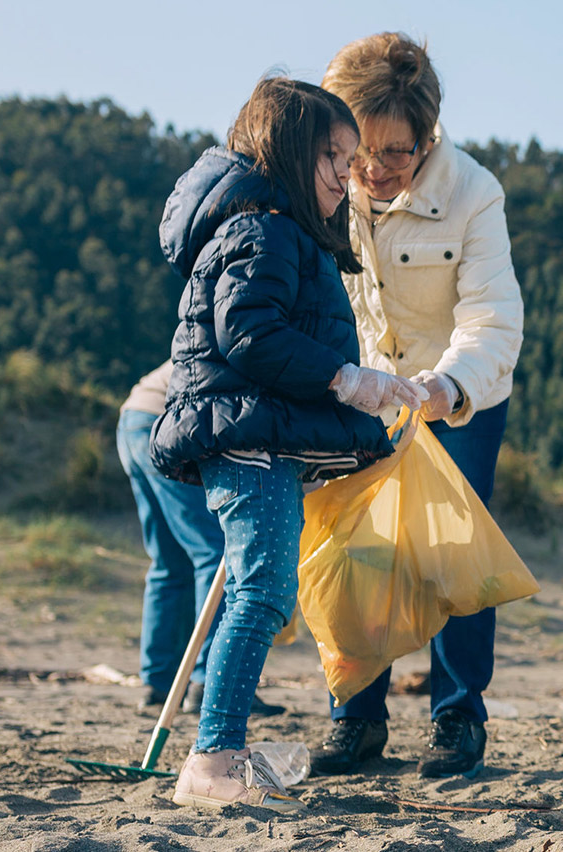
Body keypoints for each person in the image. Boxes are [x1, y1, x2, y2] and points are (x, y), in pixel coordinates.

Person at [151, 77, 427, 813]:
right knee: (262, 593)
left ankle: (223, 748)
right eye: (332, 156)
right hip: (248, 442)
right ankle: (213, 761)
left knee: (258, 591)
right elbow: (250, 335)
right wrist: (344, 378)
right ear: (284, 152)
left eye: (352, 156)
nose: (348, 172)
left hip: (262, 438)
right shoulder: (263, 228)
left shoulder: (279, 230)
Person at [311, 32, 525, 780]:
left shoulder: (475, 192)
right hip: (362, 395)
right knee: (356, 551)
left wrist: (447, 387)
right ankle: (355, 721)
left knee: (454, 554)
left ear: (427, 136)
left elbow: (493, 316)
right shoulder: (325, 186)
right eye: (357, 154)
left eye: (396, 154)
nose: (373, 172)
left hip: (459, 396)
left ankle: (458, 717)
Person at [117, 361, 283, 717]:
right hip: (164, 422)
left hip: (135, 416)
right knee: (213, 552)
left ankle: (158, 684)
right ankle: (209, 681)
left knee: (170, 563)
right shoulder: (262, 332)